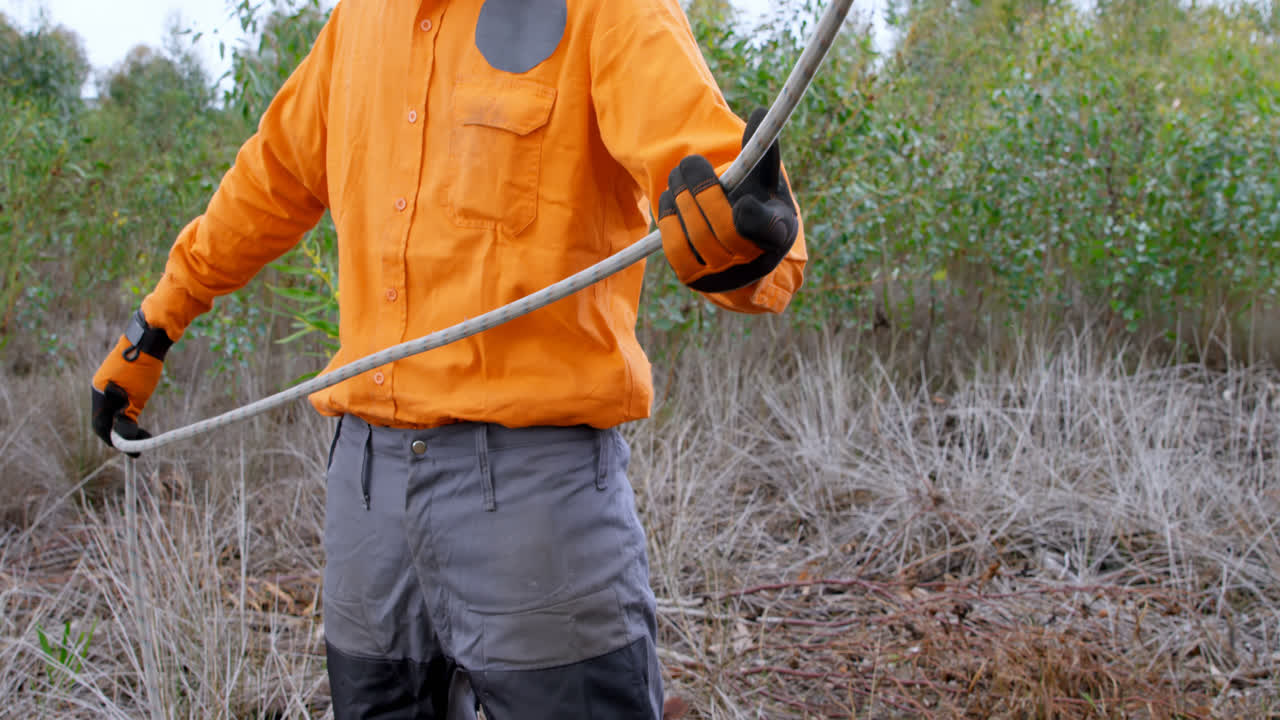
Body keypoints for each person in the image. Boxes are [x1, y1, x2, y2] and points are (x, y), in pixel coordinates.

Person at [90, 0, 806, 717]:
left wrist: (748, 247)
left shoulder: (610, 8)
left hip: (537, 500)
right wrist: (156, 322)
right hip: (364, 496)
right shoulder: (359, 20)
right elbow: (270, 179)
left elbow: (733, 194)